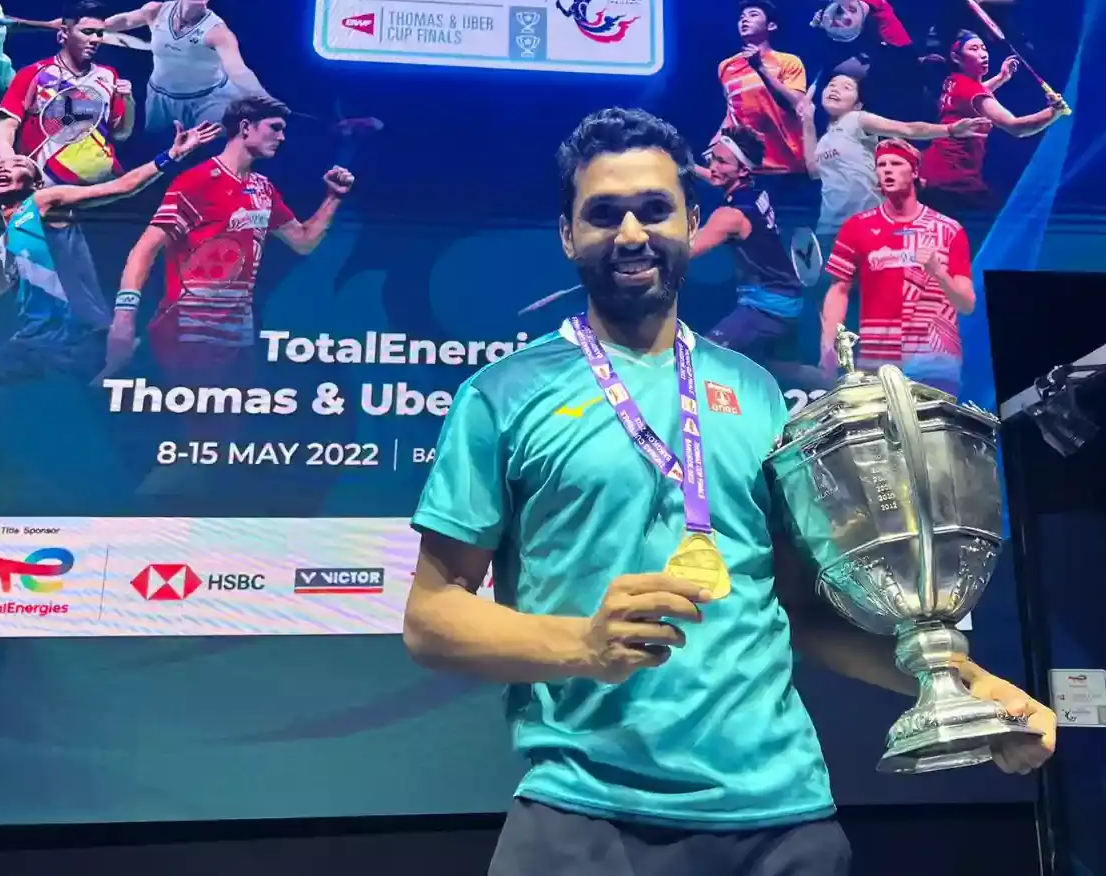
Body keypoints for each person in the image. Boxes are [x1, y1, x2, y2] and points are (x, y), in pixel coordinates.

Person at [403, 107, 1056, 876]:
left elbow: (800, 611)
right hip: (584, 816)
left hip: (783, 823)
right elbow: (432, 617)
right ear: (567, 235)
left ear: (691, 223)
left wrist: (964, 681)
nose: (632, 234)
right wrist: (582, 644)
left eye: (655, 209)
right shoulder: (502, 395)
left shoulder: (756, 392)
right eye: (603, 214)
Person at [0, 121, 222, 395]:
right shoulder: (7, 242)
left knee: (117, 404)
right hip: (34, 342)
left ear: (37, 183)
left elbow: (123, 186)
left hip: (83, 338)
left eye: (18, 164)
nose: (4, 168)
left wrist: (172, 155)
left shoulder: (43, 201)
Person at [109, 95, 353, 385]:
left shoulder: (262, 188)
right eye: (275, 127)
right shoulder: (199, 181)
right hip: (186, 333)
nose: (282, 137)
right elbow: (144, 250)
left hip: (237, 338)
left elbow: (303, 241)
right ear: (246, 127)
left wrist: (333, 198)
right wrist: (124, 319)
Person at [819, 139, 974, 396]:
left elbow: (966, 304)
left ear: (914, 172)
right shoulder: (856, 227)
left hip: (935, 361)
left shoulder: (949, 230)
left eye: (896, 164)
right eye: (881, 165)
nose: (887, 170)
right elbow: (839, 290)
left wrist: (938, 272)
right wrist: (828, 344)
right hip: (877, 364)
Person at [795, 58, 990, 249]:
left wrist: (949, 129)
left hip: (867, 227)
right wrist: (807, 121)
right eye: (831, 85)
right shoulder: (825, 140)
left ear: (857, 104)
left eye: (846, 87)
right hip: (829, 228)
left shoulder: (857, 119)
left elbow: (907, 129)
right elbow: (814, 171)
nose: (835, 89)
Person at [693, 125, 822, 389]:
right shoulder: (756, 192)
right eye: (712, 159)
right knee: (787, 370)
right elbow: (718, 175)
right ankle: (846, 386)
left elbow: (684, 251)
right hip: (789, 300)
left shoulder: (730, 216)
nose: (712, 167)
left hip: (766, 306)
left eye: (721, 161)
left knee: (700, 360)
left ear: (742, 170)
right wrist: (689, 168)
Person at [919, 31, 1068, 213]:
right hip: (952, 180)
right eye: (974, 49)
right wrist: (1054, 111)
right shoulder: (970, 90)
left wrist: (1001, 78)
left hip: (934, 168)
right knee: (1004, 217)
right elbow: (1016, 128)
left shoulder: (954, 82)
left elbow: (974, 94)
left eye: (983, 48)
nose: (983, 54)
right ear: (956, 57)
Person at [0, 1, 134, 187]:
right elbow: (6, 127)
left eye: (99, 33)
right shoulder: (35, 74)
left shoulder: (108, 75)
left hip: (102, 187)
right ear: (65, 33)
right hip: (48, 186)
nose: (95, 39)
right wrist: (8, 160)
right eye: (87, 32)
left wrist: (128, 101)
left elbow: (121, 133)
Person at [104, 0, 269, 136]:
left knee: (207, 147)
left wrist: (268, 102)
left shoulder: (218, 32)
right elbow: (125, 20)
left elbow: (238, 71)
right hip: (160, 98)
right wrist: (96, 26)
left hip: (208, 101)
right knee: (155, 144)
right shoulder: (156, 11)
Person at [714, 0, 808, 178]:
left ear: (771, 26)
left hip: (785, 166)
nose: (745, 19)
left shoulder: (789, 62)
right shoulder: (726, 66)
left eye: (753, 15)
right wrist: (717, 141)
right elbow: (733, 110)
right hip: (744, 168)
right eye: (742, 17)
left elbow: (796, 106)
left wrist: (761, 69)